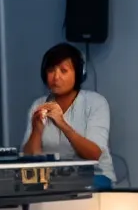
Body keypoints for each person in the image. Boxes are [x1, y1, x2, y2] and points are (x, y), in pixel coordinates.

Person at [21, 43, 116, 190]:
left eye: (64, 71)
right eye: (51, 70)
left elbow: (94, 154)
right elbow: (29, 159)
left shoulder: (96, 102)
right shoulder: (38, 105)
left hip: (95, 176)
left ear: (79, 74)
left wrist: (62, 124)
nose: (56, 77)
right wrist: (37, 131)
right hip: (53, 180)